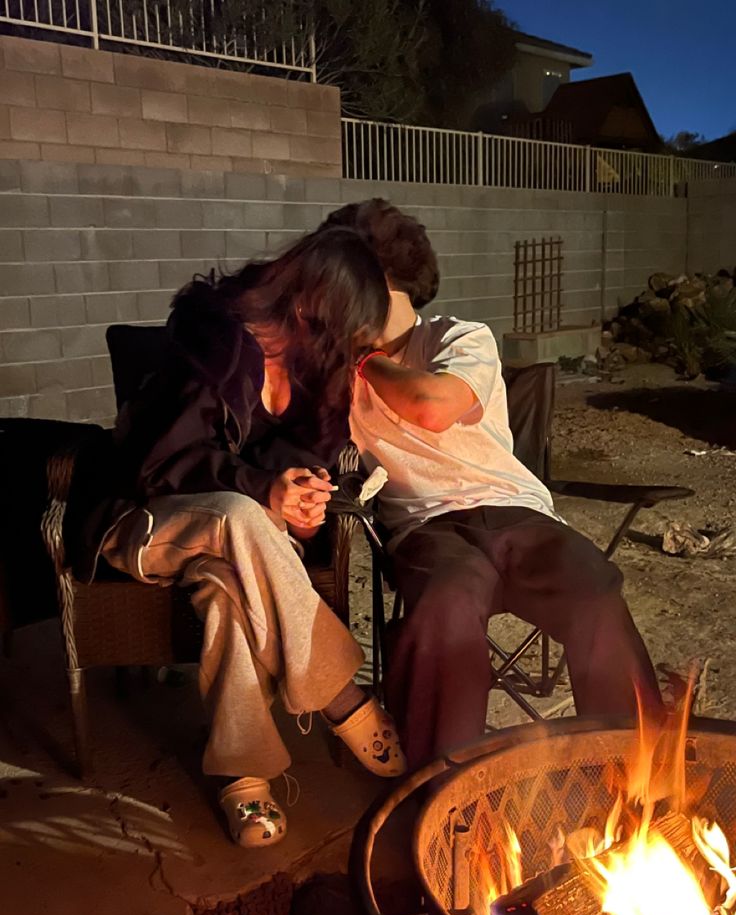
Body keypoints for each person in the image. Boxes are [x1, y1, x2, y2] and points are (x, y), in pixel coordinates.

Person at [65, 227, 406, 847]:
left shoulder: (310, 373)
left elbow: (305, 460)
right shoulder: (210, 341)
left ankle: (244, 778)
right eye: (344, 333)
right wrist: (262, 490)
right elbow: (158, 466)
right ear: (307, 308)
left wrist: (302, 499)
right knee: (239, 517)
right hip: (140, 524)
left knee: (227, 590)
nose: (347, 351)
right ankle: (339, 695)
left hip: (236, 550)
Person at [319, 199, 664, 770]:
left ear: (377, 280)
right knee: (445, 606)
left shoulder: (459, 337)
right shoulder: (332, 374)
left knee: (595, 593)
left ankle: (642, 777)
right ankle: (441, 796)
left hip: (516, 512)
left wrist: (359, 361)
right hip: (427, 528)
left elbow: (434, 405)